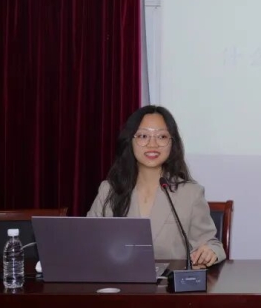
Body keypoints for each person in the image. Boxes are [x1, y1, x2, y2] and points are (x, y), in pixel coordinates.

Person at [86, 105, 225, 267]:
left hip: (170, 282)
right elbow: (87, 239)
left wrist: (209, 252)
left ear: (172, 143)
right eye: (143, 136)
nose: (152, 144)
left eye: (162, 136)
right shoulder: (109, 190)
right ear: (130, 141)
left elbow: (212, 244)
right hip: (119, 280)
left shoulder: (191, 193)